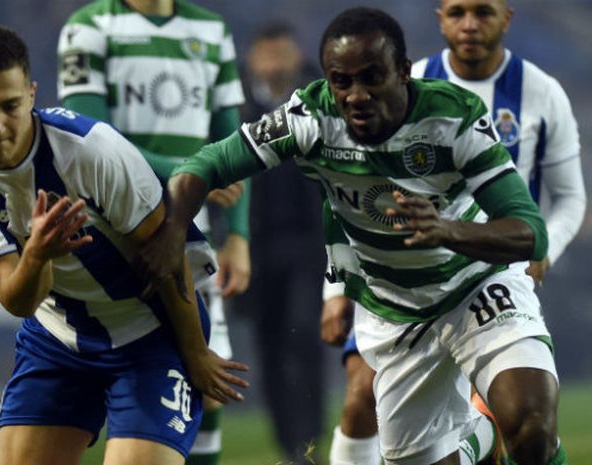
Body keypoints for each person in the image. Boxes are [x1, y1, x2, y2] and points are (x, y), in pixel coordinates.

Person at [133, 6, 570, 465]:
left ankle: (506, 431)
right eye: (342, 81)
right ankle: (481, 438)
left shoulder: (453, 118)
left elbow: (529, 232)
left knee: (532, 428)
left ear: (403, 72)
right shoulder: (309, 117)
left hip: (475, 288)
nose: (356, 95)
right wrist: (172, 228)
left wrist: (449, 230)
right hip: (396, 312)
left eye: (371, 77)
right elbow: (201, 167)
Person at [0, 24, 248, 465]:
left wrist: (194, 352)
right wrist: (38, 255)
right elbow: (17, 300)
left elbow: (167, 254)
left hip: (149, 333)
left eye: (10, 107)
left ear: (32, 95)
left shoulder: (91, 151)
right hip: (58, 335)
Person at [323, 1, 586, 464]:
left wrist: (542, 251)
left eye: (483, 12)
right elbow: (348, 188)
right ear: (439, 16)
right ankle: (478, 438)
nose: (469, 24)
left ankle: (483, 437)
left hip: (488, 270)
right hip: (395, 282)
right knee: (361, 392)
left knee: (527, 423)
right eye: (458, 11)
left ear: (506, 18)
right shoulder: (392, 81)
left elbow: (570, 198)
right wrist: (333, 290)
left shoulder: (542, 93)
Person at [56, 2, 250, 462]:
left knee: (212, 384)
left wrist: (240, 236)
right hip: (116, 232)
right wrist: (193, 170)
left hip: (189, 232)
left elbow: (239, 143)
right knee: (163, 371)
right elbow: (89, 140)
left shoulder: (211, 29)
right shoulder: (89, 28)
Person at [237, 22, 327, 464]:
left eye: (281, 55)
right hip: (255, 248)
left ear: (296, 56)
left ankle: (310, 432)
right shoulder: (234, 105)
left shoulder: (321, 98)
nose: (274, 65)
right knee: (269, 345)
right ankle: (288, 442)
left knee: (304, 334)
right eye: (266, 56)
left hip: (310, 245)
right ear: (254, 60)